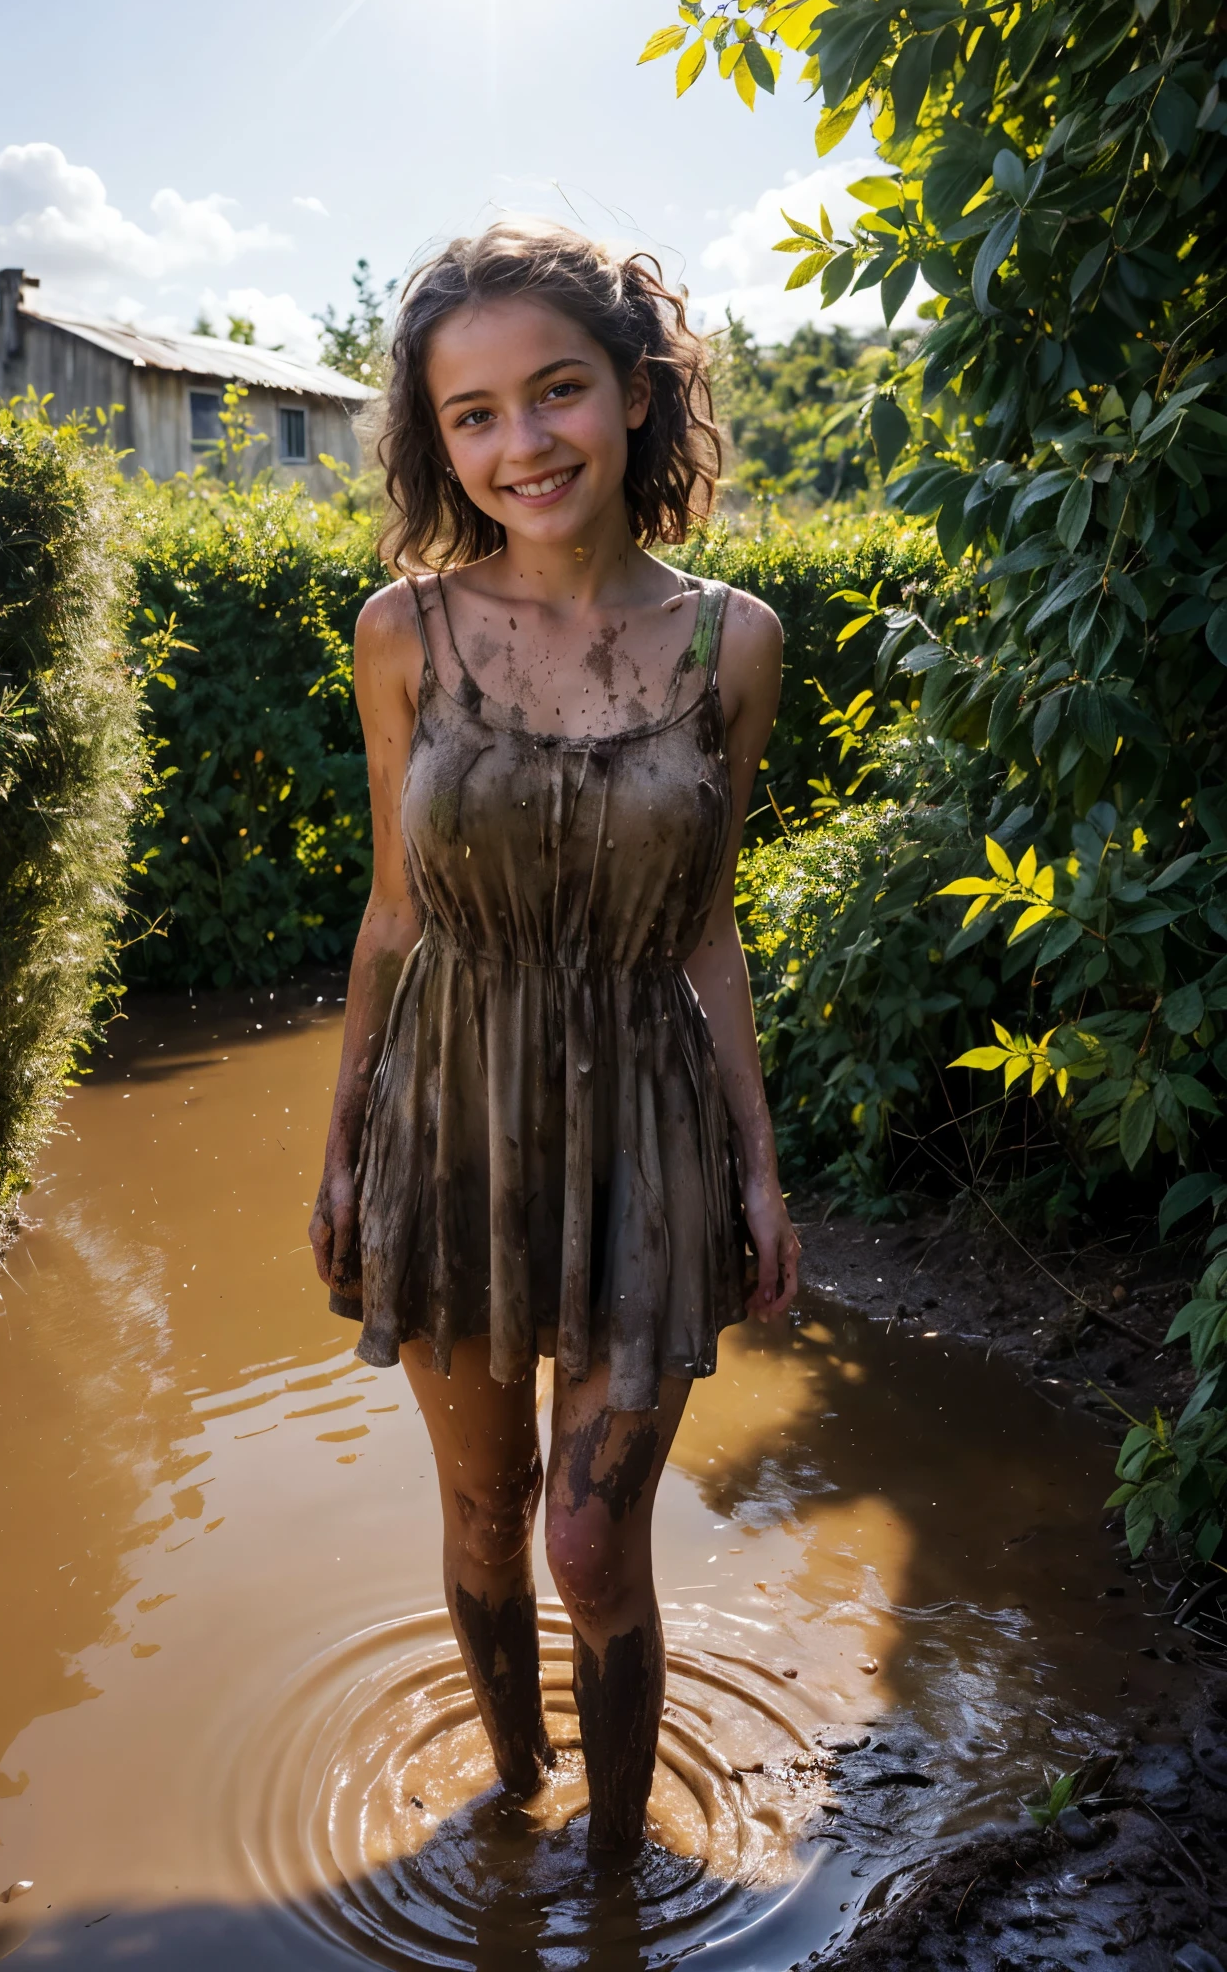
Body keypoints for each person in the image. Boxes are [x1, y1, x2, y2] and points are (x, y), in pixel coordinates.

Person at [310, 220, 800, 1863]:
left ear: (638, 394)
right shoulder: (405, 633)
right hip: (448, 1115)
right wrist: (338, 1147)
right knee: (481, 1509)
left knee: (591, 1542)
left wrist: (758, 1165)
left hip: (646, 1131)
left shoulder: (734, 642)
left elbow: (709, 921)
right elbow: (392, 910)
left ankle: (613, 1871)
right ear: (436, 438)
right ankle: (510, 1802)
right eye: (473, 414)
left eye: (557, 392)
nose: (521, 444)